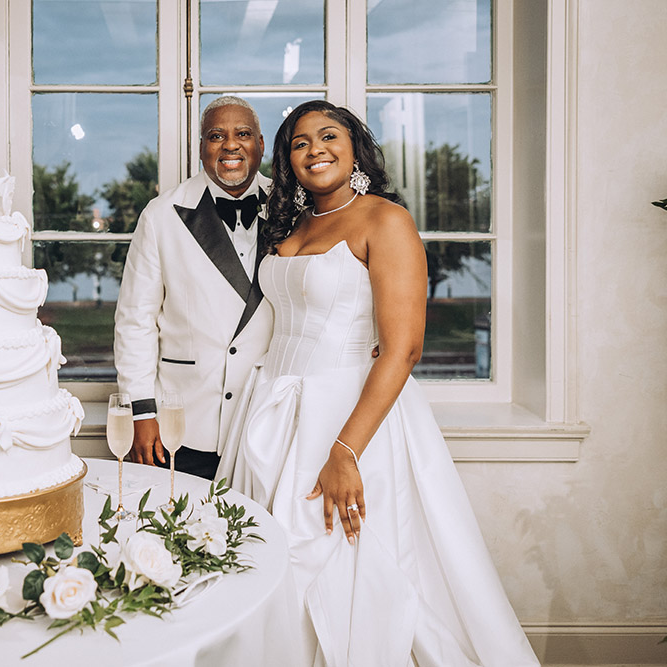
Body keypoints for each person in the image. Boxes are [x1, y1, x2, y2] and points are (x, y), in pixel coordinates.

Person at [217, 100, 540, 666]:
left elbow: (403, 347)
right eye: (299, 142)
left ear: (355, 148)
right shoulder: (290, 225)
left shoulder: (385, 219)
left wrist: (345, 452)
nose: (315, 148)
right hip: (270, 409)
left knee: (343, 564)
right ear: (288, 162)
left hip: (348, 415)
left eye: (329, 136)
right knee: (263, 563)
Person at [114, 96, 274, 480]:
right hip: (182, 425)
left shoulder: (295, 209)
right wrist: (142, 411)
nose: (230, 145)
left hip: (267, 420)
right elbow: (135, 321)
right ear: (202, 148)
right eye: (216, 136)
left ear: (261, 145)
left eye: (243, 134)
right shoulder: (161, 215)